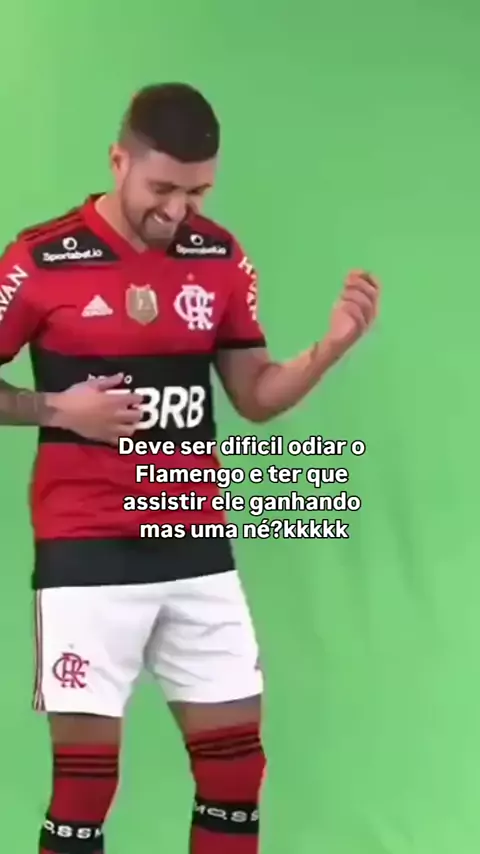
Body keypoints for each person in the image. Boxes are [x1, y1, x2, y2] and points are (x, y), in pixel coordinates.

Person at [0, 83, 380, 854]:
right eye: (162, 188)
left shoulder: (219, 256)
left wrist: (329, 348)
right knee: (84, 788)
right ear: (119, 161)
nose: (177, 210)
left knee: (236, 776)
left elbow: (255, 396)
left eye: (198, 192)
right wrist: (58, 409)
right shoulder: (39, 260)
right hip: (86, 551)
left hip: (194, 546)